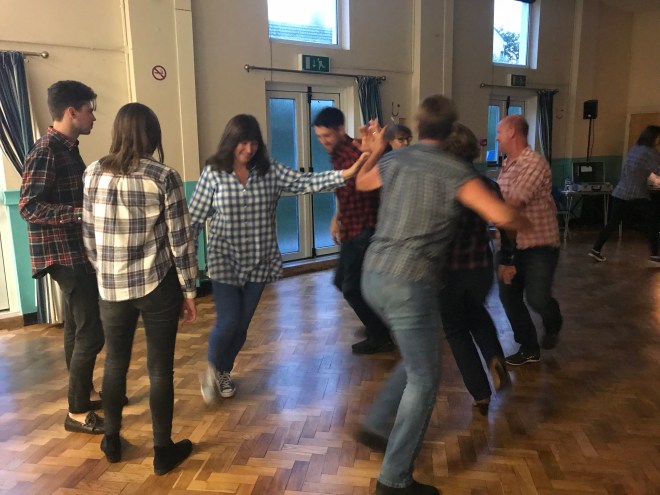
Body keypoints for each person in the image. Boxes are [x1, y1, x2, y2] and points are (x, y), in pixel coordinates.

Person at [354, 96, 530, 495]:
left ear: (418, 126)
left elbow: (362, 182)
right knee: (425, 379)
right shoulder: (455, 171)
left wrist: (375, 149)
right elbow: (501, 216)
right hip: (409, 281)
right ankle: (393, 481)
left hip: (373, 274)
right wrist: (523, 217)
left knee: (419, 356)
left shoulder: (397, 159)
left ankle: (376, 423)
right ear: (451, 130)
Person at [190, 114, 368, 404]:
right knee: (229, 320)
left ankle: (224, 371)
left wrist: (347, 174)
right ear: (231, 141)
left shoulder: (269, 171)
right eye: (243, 143)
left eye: (254, 143)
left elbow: (305, 181)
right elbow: (195, 218)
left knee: (242, 326)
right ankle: (212, 368)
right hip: (224, 260)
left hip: (259, 261)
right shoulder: (214, 172)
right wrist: (185, 264)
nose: (249, 149)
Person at [82, 102, 197, 475]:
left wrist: (104, 271)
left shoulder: (92, 172)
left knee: (115, 362)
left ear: (117, 132)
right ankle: (163, 450)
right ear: (153, 134)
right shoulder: (164, 176)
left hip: (111, 287)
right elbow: (181, 240)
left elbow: (88, 234)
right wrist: (190, 290)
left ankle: (112, 440)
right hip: (157, 285)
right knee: (160, 369)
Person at [19, 80, 105, 435]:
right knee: (92, 332)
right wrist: (79, 213)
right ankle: (77, 412)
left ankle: (84, 394)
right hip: (63, 253)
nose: (93, 117)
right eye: (89, 110)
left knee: (75, 328)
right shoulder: (47, 149)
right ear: (71, 112)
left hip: (73, 251)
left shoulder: (67, 147)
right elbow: (28, 206)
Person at [439, 123, 510, 415]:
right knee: (476, 313)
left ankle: (480, 394)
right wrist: (507, 259)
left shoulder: (443, 188)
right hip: (480, 267)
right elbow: (504, 225)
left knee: (455, 330)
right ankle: (494, 357)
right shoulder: (488, 185)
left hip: (449, 271)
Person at [313, 107, 394, 355]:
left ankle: (380, 335)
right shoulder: (338, 153)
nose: (323, 141)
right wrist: (337, 217)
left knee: (351, 288)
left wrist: (377, 149)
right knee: (343, 282)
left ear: (340, 130)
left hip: (364, 228)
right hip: (350, 227)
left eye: (327, 136)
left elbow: (370, 182)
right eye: (319, 137)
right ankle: (378, 325)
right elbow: (346, 189)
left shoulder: (356, 151)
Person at [495, 114, 563, 366]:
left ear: (512, 132)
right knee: (509, 298)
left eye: (499, 132)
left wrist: (483, 208)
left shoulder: (533, 163)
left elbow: (513, 205)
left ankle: (553, 321)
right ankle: (529, 347)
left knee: (537, 298)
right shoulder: (507, 164)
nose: (497, 137)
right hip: (510, 244)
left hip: (539, 245)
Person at [589, 125, 660, 262]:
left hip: (620, 191)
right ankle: (655, 254)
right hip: (636, 194)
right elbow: (657, 169)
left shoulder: (635, 148)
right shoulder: (650, 153)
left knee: (612, 223)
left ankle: (596, 249)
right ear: (653, 137)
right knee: (652, 223)